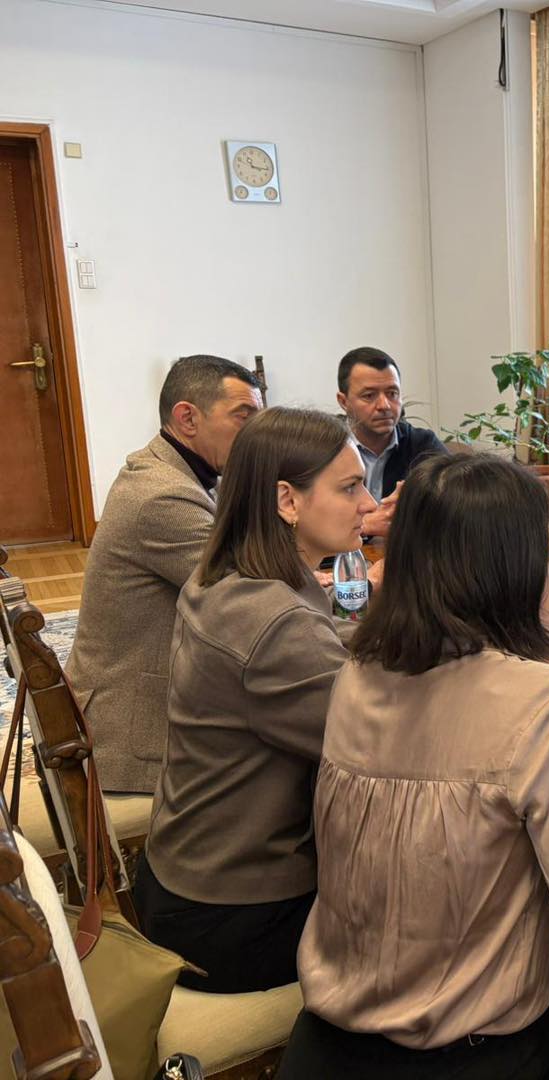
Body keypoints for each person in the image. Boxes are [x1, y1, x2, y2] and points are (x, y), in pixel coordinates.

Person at [280, 453, 549, 1079]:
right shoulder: (545, 701)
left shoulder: (356, 676)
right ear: (516, 568)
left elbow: (450, 791)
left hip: (324, 1047)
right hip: (466, 1056)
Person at [134, 408, 378, 993]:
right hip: (233, 918)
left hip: (184, 876)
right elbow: (382, 748)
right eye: (350, 488)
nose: (368, 504)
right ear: (287, 501)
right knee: (442, 913)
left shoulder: (226, 577)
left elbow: (319, 639)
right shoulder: (275, 621)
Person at [67, 354, 263, 794]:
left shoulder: (174, 470)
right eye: (244, 416)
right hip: (133, 737)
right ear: (187, 418)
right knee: (286, 772)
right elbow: (250, 596)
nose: (256, 432)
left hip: (140, 699)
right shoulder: (163, 496)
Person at [336, 346, 446, 538]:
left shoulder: (422, 444)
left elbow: (454, 505)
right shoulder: (324, 447)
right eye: (369, 395)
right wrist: (363, 525)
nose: (384, 405)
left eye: (392, 393)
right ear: (344, 402)